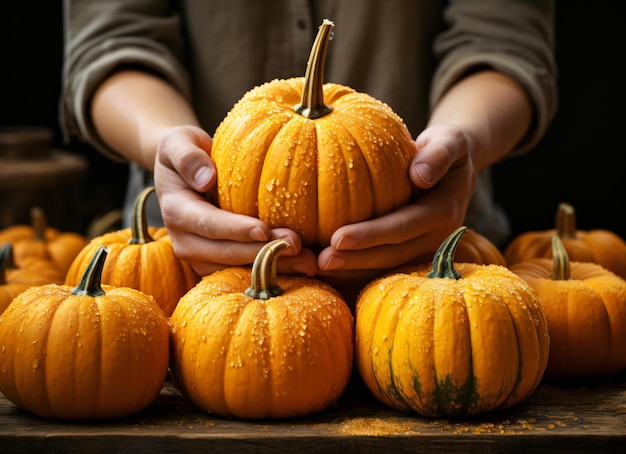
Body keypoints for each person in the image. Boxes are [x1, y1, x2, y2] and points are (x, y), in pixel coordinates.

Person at [61, 0, 557, 297]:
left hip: (432, 271)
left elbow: (503, 42)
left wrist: (463, 136)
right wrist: (164, 142)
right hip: (196, 276)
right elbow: (110, 41)